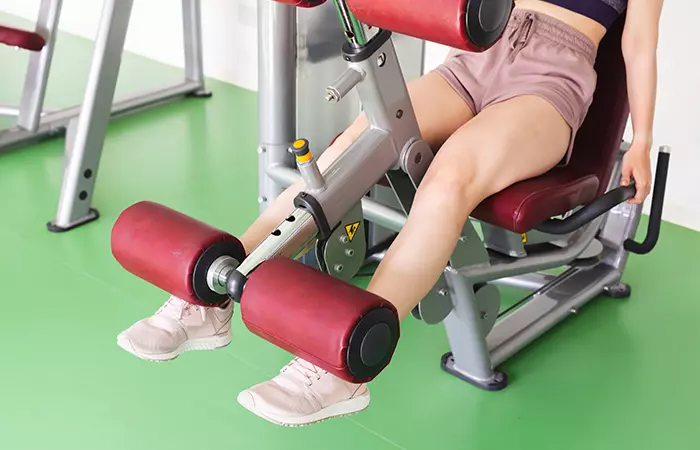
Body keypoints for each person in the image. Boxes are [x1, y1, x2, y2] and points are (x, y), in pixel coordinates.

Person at [117, 0, 664, 427]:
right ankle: (205, 297)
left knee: (450, 178)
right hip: (477, 58)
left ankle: (338, 368)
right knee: (350, 150)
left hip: (550, 81)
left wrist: (641, 141)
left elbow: (638, 43)